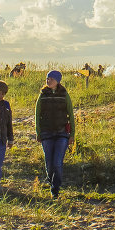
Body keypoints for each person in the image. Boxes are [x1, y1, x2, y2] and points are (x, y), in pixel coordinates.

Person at [35, 70, 75, 198]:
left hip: (61, 133)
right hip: (46, 133)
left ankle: (55, 189)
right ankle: (51, 181)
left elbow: (71, 115)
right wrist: (38, 132)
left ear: (58, 81)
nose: (48, 81)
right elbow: (37, 115)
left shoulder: (64, 95)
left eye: (51, 79)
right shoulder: (42, 95)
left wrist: (72, 134)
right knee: (49, 162)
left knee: (57, 162)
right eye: (47, 79)